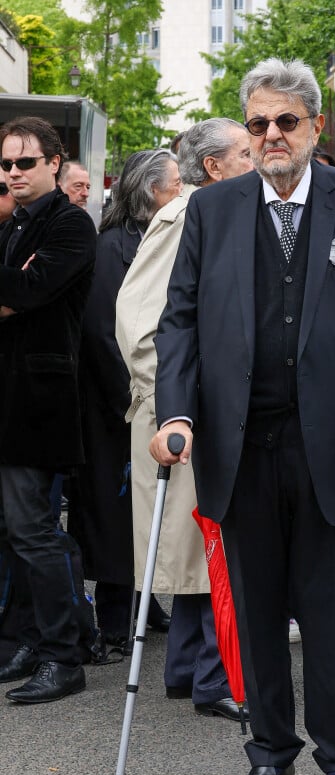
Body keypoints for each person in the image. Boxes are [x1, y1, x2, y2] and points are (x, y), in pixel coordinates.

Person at [150, 58, 335, 775]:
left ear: (313, 129)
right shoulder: (213, 210)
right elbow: (180, 322)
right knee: (259, 614)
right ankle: (269, 754)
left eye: (286, 123)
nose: (272, 136)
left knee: (332, 617)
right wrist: (176, 414)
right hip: (240, 446)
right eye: (259, 124)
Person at [116, 119, 253, 720]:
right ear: (215, 166)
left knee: (203, 547)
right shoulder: (188, 215)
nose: (259, 157)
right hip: (185, 417)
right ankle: (207, 678)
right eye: (245, 151)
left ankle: (190, 671)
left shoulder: (218, 209)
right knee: (206, 547)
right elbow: (138, 322)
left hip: (197, 411)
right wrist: (176, 403)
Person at [67, 150, 182, 647]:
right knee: (115, 514)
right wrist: (133, 400)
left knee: (142, 509)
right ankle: (116, 618)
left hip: (139, 401)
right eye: (174, 183)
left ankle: (145, 600)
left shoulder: (146, 238)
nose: (181, 191)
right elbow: (104, 332)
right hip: (119, 405)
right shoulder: (113, 246)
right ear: (150, 190)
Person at [0, 116, 97, 702]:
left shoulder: (70, 224)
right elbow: (15, 291)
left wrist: (17, 288)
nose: (13, 173)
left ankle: (65, 654)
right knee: (14, 533)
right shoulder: (13, 225)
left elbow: (28, 293)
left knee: (33, 530)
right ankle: (34, 640)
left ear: (54, 163)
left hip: (38, 404)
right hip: (9, 401)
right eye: (6, 164)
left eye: (25, 163)